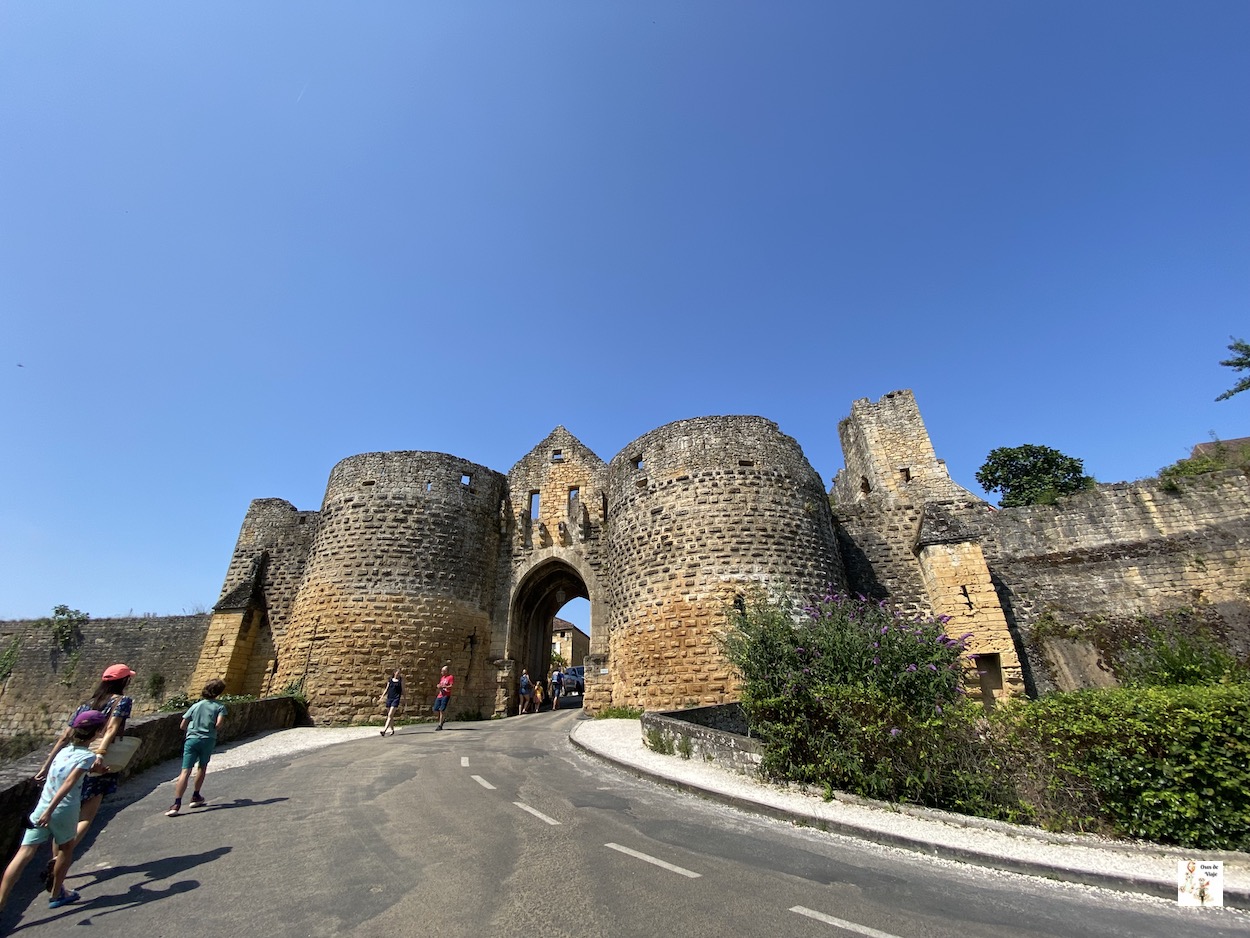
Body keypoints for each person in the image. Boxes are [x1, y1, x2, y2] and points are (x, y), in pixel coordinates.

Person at [35, 663, 136, 882]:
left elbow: (65, 736)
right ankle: (58, 861)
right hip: (98, 760)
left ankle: (57, 860)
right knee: (85, 818)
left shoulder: (86, 704)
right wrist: (100, 753)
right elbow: (111, 729)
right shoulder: (122, 701)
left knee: (69, 815)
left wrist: (46, 764)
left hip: (72, 758)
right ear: (124, 681)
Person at [0, 710, 107, 914]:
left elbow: (68, 772)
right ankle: (57, 894)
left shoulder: (64, 751)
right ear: (97, 732)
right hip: (62, 810)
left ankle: (1, 902)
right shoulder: (88, 756)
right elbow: (69, 783)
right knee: (65, 849)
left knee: (23, 854)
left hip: (40, 807)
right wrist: (51, 811)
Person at [165, 679, 227, 817]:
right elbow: (218, 725)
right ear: (219, 692)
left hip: (191, 739)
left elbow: (182, 725)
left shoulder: (196, 705)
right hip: (207, 740)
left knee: (185, 771)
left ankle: (176, 804)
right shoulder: (220, 707)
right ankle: (195, 796)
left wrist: (193, 730)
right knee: (202, 767)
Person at [379, 668, 403, 736]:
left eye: (399, 673)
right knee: (391, 716)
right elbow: (387, 689)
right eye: (397, 673)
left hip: (396, 699)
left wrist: (405, 699)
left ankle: (384, 730)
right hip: (389, 698)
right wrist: (382, 696)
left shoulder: (400, 681)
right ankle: (392, 730)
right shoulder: (390, 680)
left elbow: (403, 690)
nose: (398, 674)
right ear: (394, 673)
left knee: (390, 715)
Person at [433, 665, 453, 730]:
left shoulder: (450, 677)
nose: (441, 672)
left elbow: (451, 686)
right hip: (440, 695)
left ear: (446, 671)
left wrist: (444, 687)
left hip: (446, 695)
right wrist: (438, 686)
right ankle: (443, 719)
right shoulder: (442, 678)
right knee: (435, 709)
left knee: (441, 709)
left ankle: (440, 725)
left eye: (443, 671)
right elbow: (440, 684)